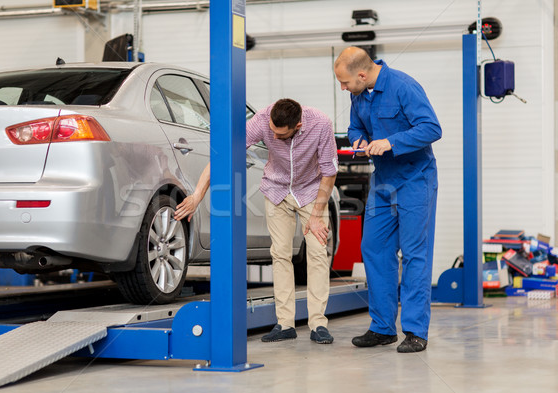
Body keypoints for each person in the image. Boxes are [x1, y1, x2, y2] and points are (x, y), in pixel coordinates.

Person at [174, 98, 338, 344]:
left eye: (279, 135)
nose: (272, 136)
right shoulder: (262, 120)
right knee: (280, 254)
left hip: (312, 192)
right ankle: (285, 324)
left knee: (316, 253)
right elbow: (224, 153)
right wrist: (198, 194)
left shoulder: (321, 124)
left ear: (298, 125)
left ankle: (318, 324)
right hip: (276, 191)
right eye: (270, 131)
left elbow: (329, 171)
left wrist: (316, 216)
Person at [333, 47, 441, 353]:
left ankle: (415, 331)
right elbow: (356, 126)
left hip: (415, 179)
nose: (343, 88)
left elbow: (432, 128)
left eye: (345, 82)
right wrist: (359, 139)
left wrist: (391, 142)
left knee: (414, 253)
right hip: (383, 181)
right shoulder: (359, 94)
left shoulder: (404, 87)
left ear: (363, 74)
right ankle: (382, 328)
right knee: (374, 248)